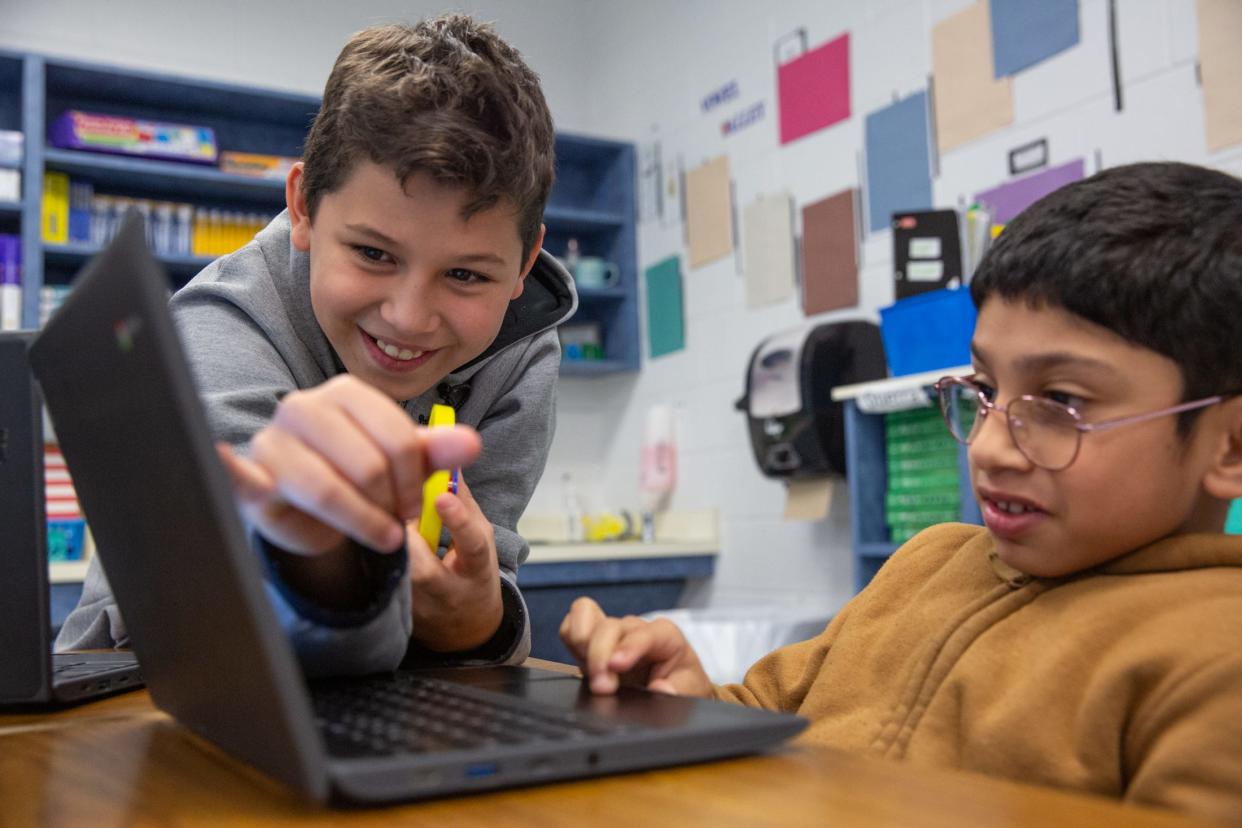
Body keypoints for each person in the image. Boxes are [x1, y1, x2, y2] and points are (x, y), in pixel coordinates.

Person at [559, 161, 1242, 820]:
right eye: (986, 389)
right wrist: (687, 698)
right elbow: (769, 718)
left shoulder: (1215, 657)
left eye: (1060, 400)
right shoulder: (930, 562)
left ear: (1230, 446)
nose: (992, 445)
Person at [57, 14, 575, 676]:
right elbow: (225, 611)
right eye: (372, 253)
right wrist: (322, 562)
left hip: (390, 715)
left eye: (466, 275)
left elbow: (476, 584)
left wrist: (482, 621)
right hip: (152, 701)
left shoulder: (521, 350)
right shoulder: (215, 327)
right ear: (303, 208)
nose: (410, 318)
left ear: (525, 262)